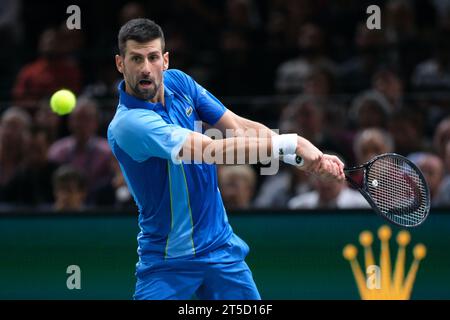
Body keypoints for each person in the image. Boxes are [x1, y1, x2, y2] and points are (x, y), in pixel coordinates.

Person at [107, 18, 344, 300]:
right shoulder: (129, 124)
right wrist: (293, 142)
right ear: (121, 64)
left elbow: (239, 128)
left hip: (220, 251)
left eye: (152, 57)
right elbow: (210, 150)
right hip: (167, 263)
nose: (145, 68)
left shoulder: (179, 83)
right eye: (136, 59)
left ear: (165, 60)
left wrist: (301, 159)